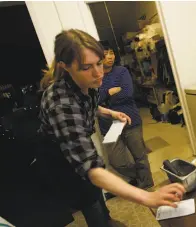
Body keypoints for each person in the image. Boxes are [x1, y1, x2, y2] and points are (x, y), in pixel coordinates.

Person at [37, 29, 185, 227]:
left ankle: (106, 219)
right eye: (86, 67)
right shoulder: (60, 104)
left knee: (96, 194)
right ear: (65, 67)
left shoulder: (85, 83)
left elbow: (89, 105)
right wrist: (146, 197)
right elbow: (90, 168)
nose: (98, 73)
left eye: (99, 63)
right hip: (61, 160)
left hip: (79, 147)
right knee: (89, 198)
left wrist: (111, 113)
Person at [98, 41, 154, 189]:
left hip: (130, 120)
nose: (110, 57)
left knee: (140, 156)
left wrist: (104, 99)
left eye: (112, 53)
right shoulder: (95, 75)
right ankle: (141, 175)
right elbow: (92, 100)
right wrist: (109, 92)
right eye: (105, 54)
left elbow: (127, 94)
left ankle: (147, 185)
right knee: (116, 161)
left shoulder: (121, 71)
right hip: (109, 125)